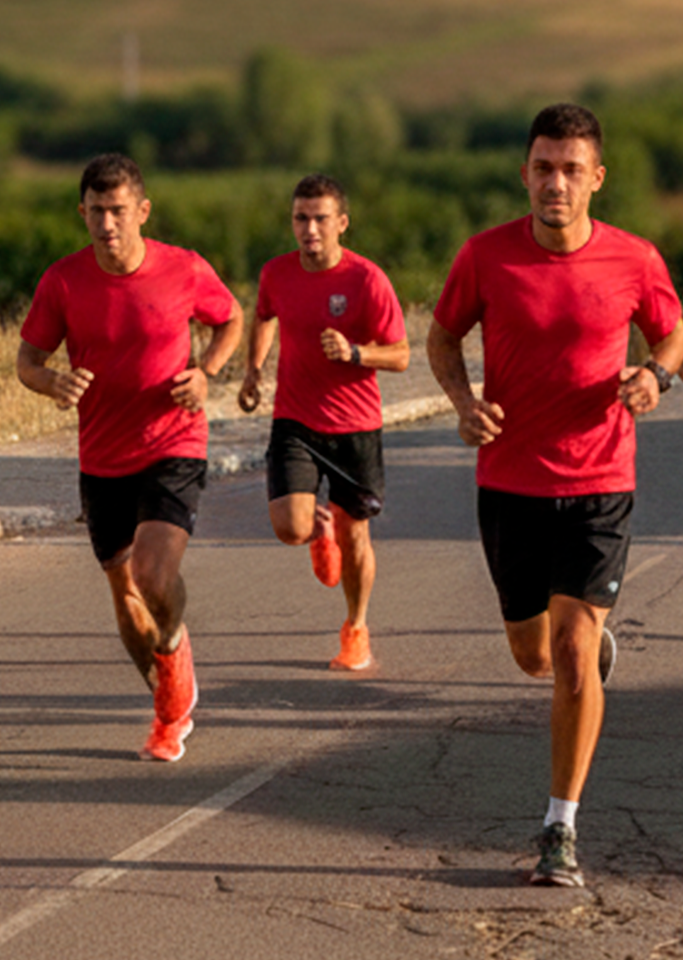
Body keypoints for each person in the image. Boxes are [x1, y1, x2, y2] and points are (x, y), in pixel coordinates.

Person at [428, 103, 683, 887]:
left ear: (596, 179)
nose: (556, 183)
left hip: (601, 479)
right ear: (525, 173)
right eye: (544, 167)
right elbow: (442, 337)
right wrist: (464, 404)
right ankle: (575, 654)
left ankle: (559, 828)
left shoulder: (635, 260)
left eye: (572, 170)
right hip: (510, 483)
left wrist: (655, 374)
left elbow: (671, 333)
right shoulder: (486, 257)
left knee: (573, 654)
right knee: (533, 654)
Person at [16, 153, 243, 762]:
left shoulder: (184, 268)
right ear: (82, 212)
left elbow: (230, 320)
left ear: (142, 210)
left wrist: (208, 373)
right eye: (95, 211)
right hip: (102, 457)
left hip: (173, 443)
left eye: (118, 210)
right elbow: (28, 362)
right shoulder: (63, 280)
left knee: (152, 576)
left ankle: (174, 653)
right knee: (124, 593)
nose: (107, 223)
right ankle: (167, 706)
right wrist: (52, 382)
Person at [238, 174, 409, 671]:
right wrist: (252, 371)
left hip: (356, 426)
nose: (309, 229)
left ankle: (355, 626)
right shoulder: (276, 273)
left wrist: (356, 353)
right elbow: (264, 315)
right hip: (295, 419)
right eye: (300, 218)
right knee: (289, 527)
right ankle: (317, 528)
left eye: (319, 219)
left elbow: (400, 355)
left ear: (342, 224)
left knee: (356, 536)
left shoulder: (366, 279)